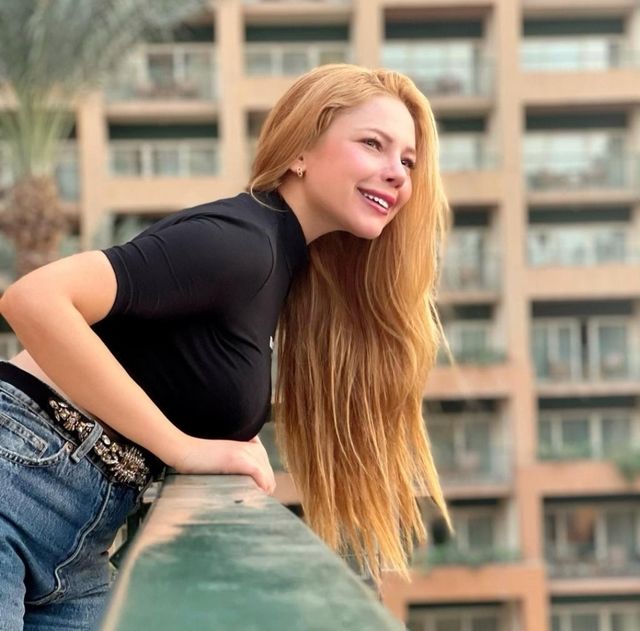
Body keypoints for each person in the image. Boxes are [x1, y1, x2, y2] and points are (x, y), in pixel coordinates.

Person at [0, 63, 453, 630]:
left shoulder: (280, 267)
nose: (397, 174)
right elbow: (34, 300)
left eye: (408, 161)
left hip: (78, 535)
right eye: (373, 144)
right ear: (301, 152)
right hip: (19, 478)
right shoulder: (240, 241)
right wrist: (183, 448)